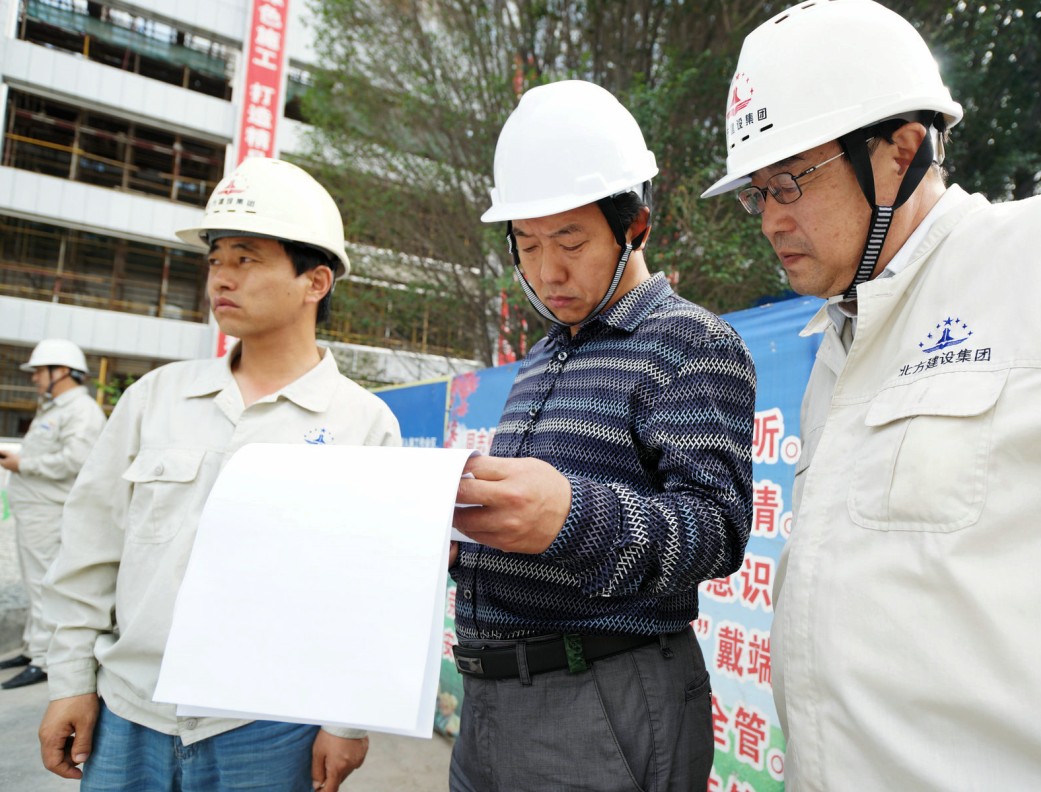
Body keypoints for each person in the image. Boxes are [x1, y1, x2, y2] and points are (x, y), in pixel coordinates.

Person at [701, 0, 1041, 787]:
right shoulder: (840, 342)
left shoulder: (1021, 263)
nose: (769, 221)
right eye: (757, 193)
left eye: (789, 183)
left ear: (901, 152)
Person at [37, 157, 401, 791]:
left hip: (270, 727)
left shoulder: (362, 424)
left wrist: (347, 720)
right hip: (129, 712)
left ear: (315, 282)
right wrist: (69, 681)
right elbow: (91, 547)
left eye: (246, 259)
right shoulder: (154, 399)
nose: (221, 278)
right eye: (215, 260)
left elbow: (368, 589)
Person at [450, 80, 756, 791]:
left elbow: (717, 531)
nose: (546, 271)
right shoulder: (540, 357)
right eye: (526, 245)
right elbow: (525, 530)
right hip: (489, 699)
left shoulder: (689, 342)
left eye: (570, 241)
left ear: (635, 227)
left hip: (599, 697)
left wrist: (570, 518)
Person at [0, 340, 106, 690]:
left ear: (61, 371)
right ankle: (32, 649)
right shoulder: (55, 409)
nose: (34, 378)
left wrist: (23, 464)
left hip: (50, 512)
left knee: (44, 584)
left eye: (38, 371)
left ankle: (44, 660)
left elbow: (75, 461)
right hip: (35, 511)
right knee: (34, 583)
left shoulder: (82, 411)